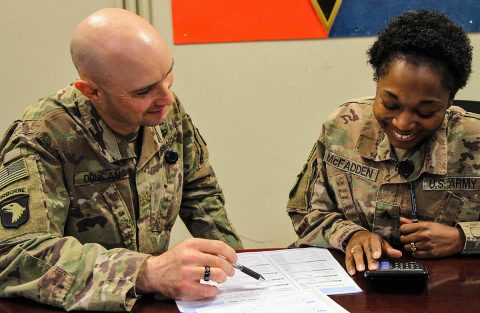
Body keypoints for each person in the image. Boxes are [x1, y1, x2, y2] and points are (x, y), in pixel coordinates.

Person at [0, 8, 243, 311]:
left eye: (168, 75)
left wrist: (233, 263)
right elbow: (17, 253)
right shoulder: (42, 136)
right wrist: (147, 272)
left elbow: (198, 188)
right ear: (92, 92)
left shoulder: (163, 111)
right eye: (143, 91)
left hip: (145, 302)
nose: (167, 97)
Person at [287, 10, 479, 276]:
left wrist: (462, 238)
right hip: (355, 284)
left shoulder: (475, 140)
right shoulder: (344, 127)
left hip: (448, 288)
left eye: (425, 112)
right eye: (390, 104)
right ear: (377, 82)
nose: (402, 123)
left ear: (449, 102)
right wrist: (350, 235)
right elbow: (305, 211)